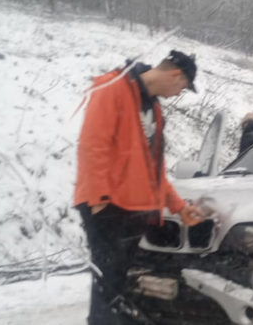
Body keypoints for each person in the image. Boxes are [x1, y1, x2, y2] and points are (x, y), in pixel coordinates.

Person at [74, 50, 205, 324]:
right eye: (182, 87)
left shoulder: (153, 108)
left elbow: (153, 169)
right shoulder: (113, 87)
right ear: (174, 74)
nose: (178, 93)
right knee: (107, 284)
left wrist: (179, 207)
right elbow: (92, 145)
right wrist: (99, 200)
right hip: (109, 207)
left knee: (122, 283)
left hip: (134, 210)